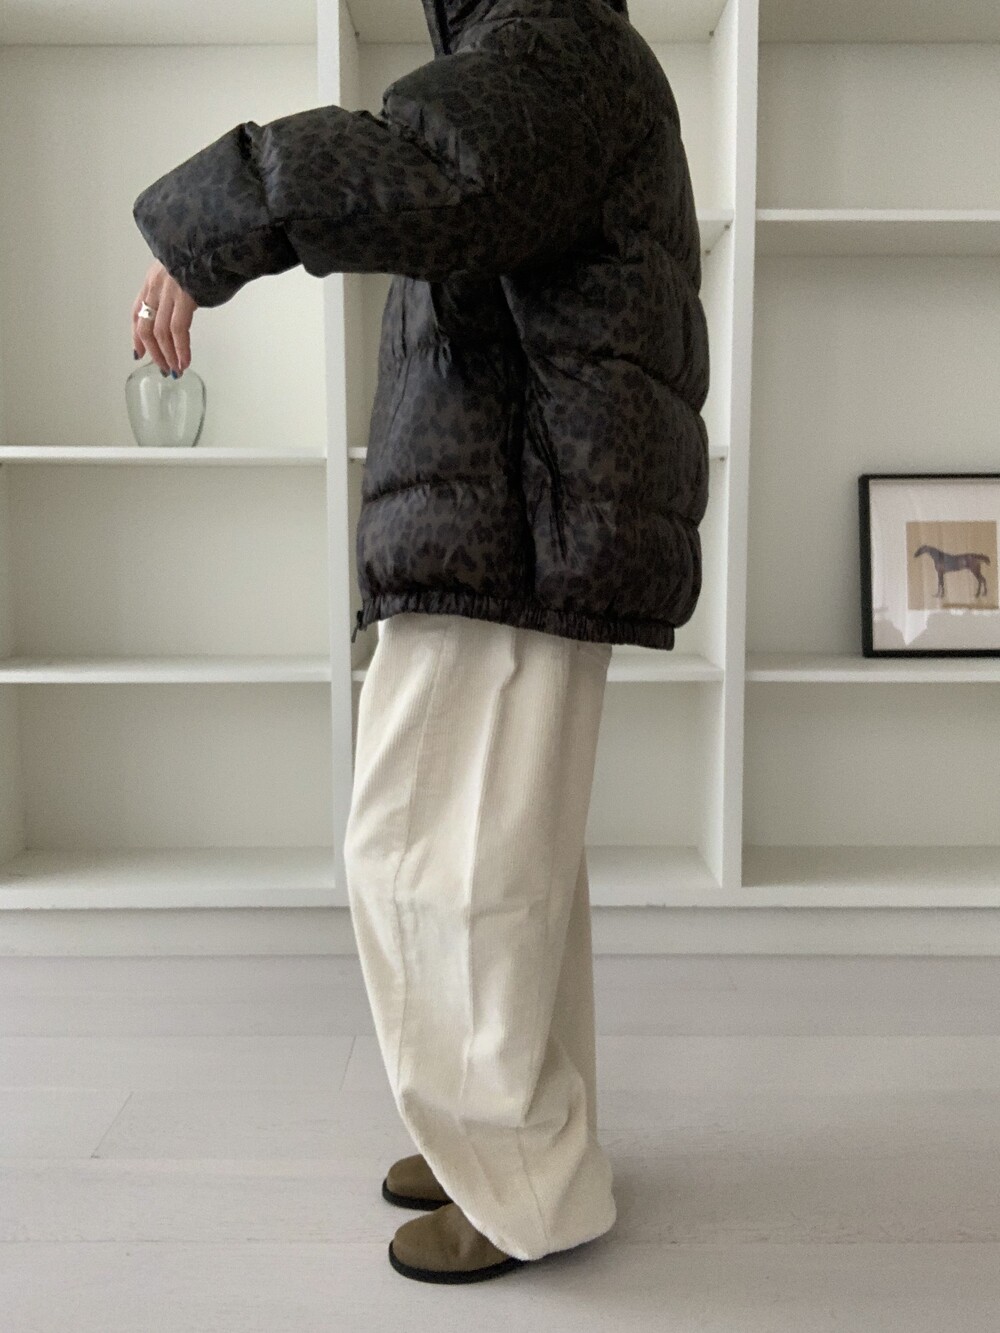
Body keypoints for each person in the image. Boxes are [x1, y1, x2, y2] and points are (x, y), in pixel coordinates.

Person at [131, 0, 709, 1286]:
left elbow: (436, 169)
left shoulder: (549, 39)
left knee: (430, 863)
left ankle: (512, 1182)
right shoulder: (549, 42)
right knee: (501, 868)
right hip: (515, 510)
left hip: (515, 521)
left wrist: (202, 227)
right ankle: (514, 1147)